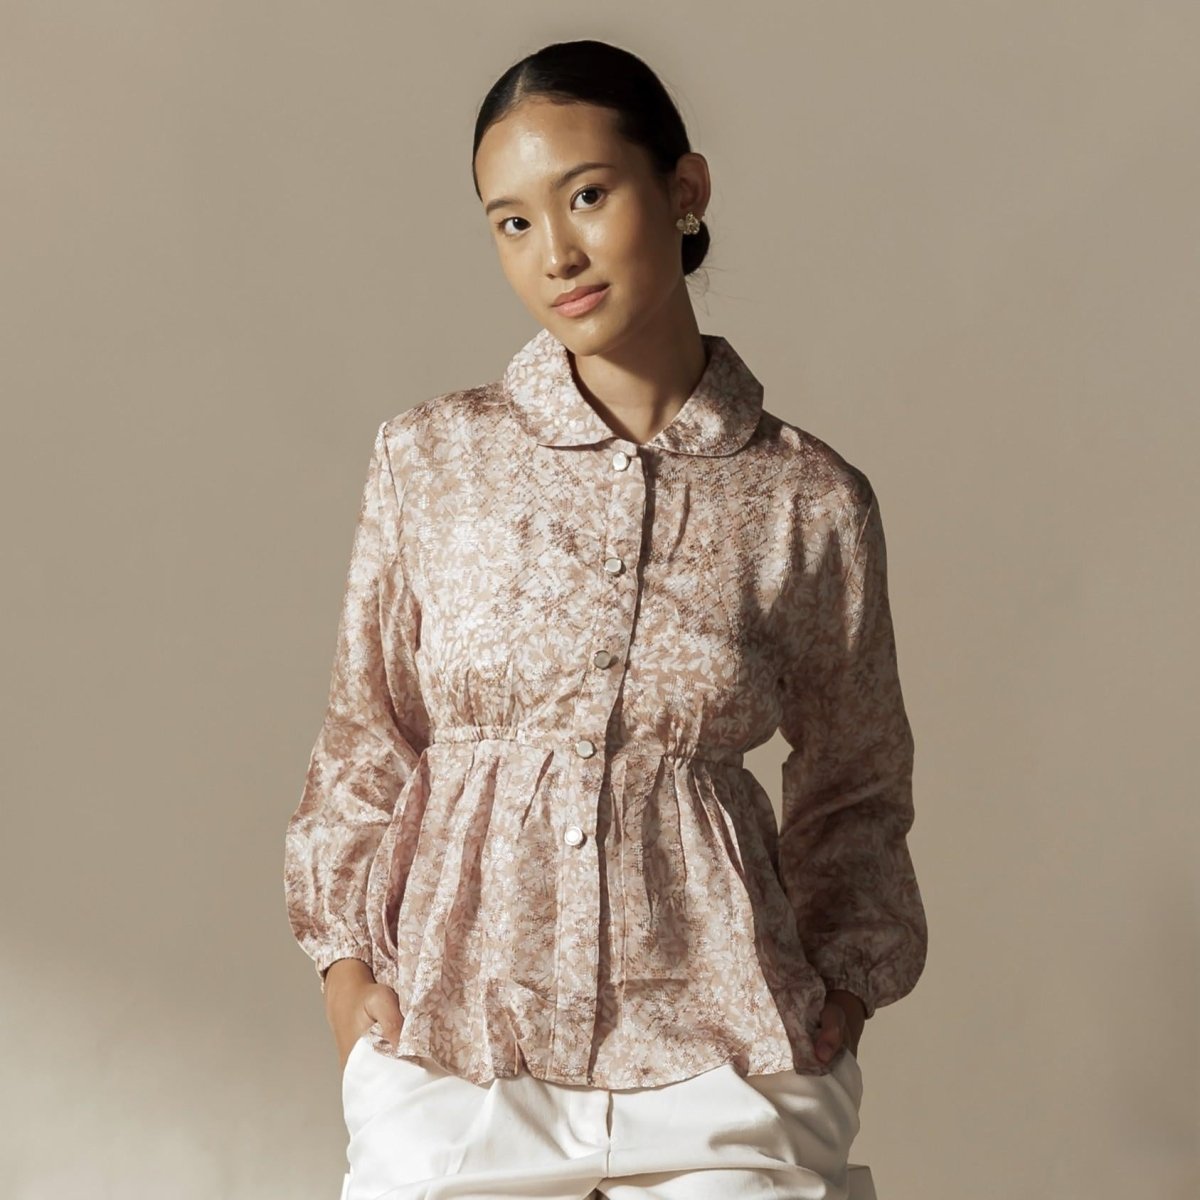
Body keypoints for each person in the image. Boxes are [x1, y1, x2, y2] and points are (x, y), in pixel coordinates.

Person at [284, 37, 927, 1200]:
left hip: (724, 1054)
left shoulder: (807, 499)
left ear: (684, 192)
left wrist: (841, 988)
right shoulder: (433, 459)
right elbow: (365, 738)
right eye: (512, 222)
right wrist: (344, 973)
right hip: (459, 1042)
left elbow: (857, 779)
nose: (556, 253)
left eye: (587, 195)